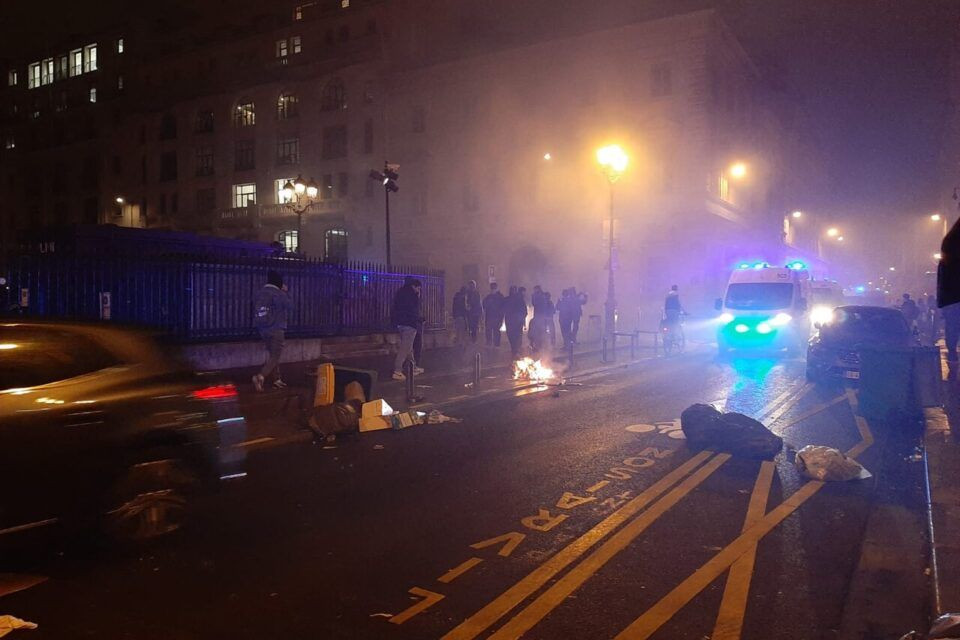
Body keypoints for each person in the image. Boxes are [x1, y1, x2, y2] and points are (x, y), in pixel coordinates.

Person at [252, 270, 292, 392]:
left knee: (272, 355)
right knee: (275, 355)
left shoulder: (260, 293)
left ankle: (277, 379)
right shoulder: (278, 293)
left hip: (263, 329)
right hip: (276, 328)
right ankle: (260, 376)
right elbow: (290, 306)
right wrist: (285, 291)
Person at [391, 277, 422, 381]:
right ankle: (397, 370)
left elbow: (396, 307)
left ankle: (413, 367)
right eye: (418, 288)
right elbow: (414, 310)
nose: (419, 290)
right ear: (414, 286)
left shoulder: (400, 292)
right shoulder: (412, 295)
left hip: (400, 323)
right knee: (405, 348)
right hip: (410, 324)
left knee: (408, 347)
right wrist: (419, 319)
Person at [504, 286, 527, 359]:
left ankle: (515, 350)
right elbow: (524, 312)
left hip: (512, 321)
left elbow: (524, 311)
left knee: (513, 336)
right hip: (514, 321)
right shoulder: (519, 300)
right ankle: (515, 350)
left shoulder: (508, 299)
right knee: (515, 336)